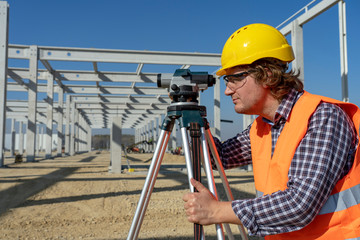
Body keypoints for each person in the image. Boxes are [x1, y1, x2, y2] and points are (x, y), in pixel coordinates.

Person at [182, 23, 360, 239]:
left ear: (266, 75)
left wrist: (217, 211)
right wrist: (191, 118)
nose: (228, 90)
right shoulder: (262, 127)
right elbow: (217, 158)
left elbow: (299, 204)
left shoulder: (322, 117)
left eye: (235, 78)